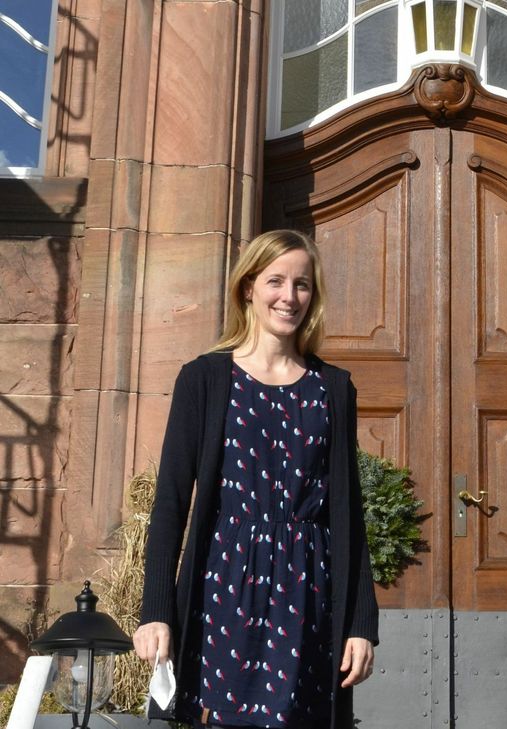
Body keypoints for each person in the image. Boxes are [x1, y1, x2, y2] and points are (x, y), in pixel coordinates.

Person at [134, 230, 379, 729]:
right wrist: (156, 611)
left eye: (302, 285)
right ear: (248, 287)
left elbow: (348, 515)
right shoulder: (204, 379)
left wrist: (361, 623)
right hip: (224, 589)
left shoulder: (332, 388)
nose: (289, 297)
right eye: (276, 281)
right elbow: (171, 503)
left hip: (310, 593)